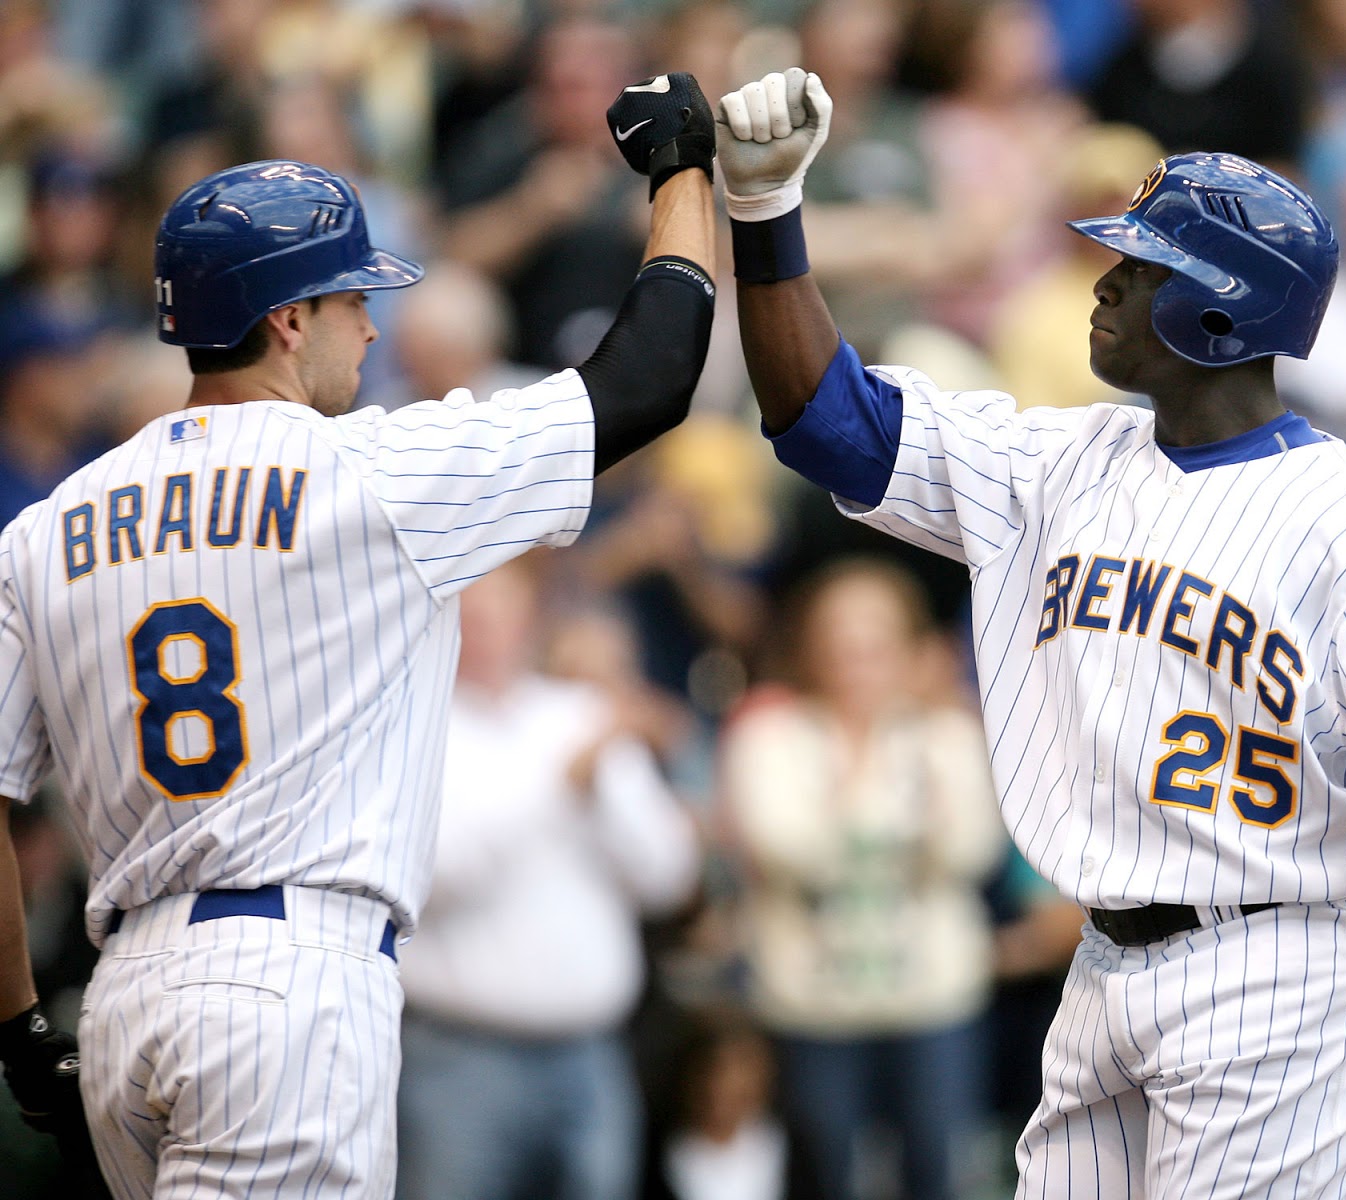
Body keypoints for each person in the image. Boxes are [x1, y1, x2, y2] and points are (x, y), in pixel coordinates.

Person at [713, 68, 1346, 1199]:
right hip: (1103, 963)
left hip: (1281, 965)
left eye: (1137, 266)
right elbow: (825, 422)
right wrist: (765, 219)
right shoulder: (1060, 463)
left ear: (1222, 308)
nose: (1099, 286)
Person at [0, 70, 717, 1200]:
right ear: (288, 319)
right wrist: (683, 170)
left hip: (126, 986)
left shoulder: (46, 528)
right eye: (349, 301)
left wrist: (14, 1027)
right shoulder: (368, 471)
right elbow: (651, 375)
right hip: (288, 981)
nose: (372, 325)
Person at [397, 556, 700, 1200]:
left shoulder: (580, 715)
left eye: (503, 610)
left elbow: (669, 877)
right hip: (459, 1061)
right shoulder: (412, 729)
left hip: (592, 1055)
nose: (487, 630)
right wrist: (563, 782)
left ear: (533, 617)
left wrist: (605, 789)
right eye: (470, 613)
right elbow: (428, 883)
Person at [719, 559, 1006, 1200]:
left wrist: (845, 817)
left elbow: (969, 852)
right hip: (809, 1007)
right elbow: (782, 849)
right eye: (840, 641)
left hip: (936, 1001)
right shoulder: (768, 732)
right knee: (822, 1173)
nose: (857, 661)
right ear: (809, 646)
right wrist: (896, 821)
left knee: (939, 1172)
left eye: (875, 643)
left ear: (910, 649)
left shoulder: (950, 733)